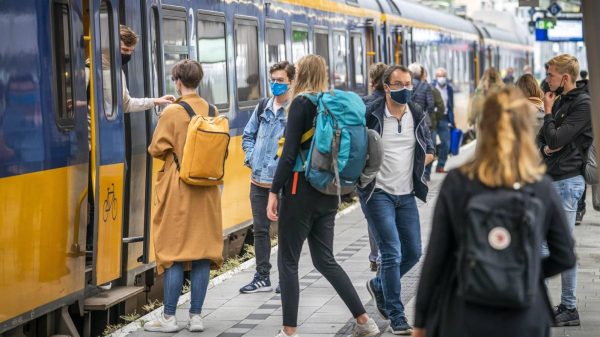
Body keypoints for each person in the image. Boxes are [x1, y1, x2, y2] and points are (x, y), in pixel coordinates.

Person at [413, 87, 576, 337]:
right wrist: (522, 270)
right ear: (525, 130)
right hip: (525, 317)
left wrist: (421, 321)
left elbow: (436, 258)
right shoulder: (541, 186)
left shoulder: (458, 183)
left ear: (483, 127)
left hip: (464, 313)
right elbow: (565, 255)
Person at [266, 54, 379, 337]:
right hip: (330, 190)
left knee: (288, 260)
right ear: (324, 74)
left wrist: (273, 191)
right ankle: (365, 320)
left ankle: (288, 331)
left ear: (299, 74)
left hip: (299, 188)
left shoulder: (301, 104)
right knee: (324, 259)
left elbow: (289, 153)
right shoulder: (332, 103)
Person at [144, 59, 224, 332]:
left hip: (179, 189)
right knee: (202, 252)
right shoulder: (213, 110)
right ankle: (196, 317)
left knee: (174, 253)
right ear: (198, 81)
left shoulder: (172, 112)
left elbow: (156, 149)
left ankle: (168, 318)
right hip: (208, 190)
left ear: (177, 81)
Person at [359, 65, 435, 335]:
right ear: (387, 86)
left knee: (413, 252)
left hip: (406, 194)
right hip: (377, 192)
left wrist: (417, 165)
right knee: (391, 252)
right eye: (398, 84)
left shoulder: (416, 112)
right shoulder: (371, 113)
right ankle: (396, 314)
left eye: (408, 83)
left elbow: (429, 149)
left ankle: (379, 285)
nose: (405, 88)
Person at [536, 54, 592, 326]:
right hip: (552, 180)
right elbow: (543, 140)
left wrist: (548, 115)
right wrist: (548, 145)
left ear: (565, 77)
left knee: (555, 245)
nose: (547, 80)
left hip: (568, 181)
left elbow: (556, 136)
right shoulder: (561, 101)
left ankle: (567, 308)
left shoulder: (582, 104)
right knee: (544, 244)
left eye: (550, 75)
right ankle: (552, 307)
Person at [240, 61, 295, 294]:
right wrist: (251, 158)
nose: (276, 84)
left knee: (286, 231)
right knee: (260, 230)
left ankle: (285, 279)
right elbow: (248, 134)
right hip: (258, 181)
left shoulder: (294, 110)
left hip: (282, 183)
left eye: (280, 80)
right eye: (273, 79)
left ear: (291, 82)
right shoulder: (263, 105)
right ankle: (262, 276)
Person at [362, 62, 388, 272]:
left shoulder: (364, 104)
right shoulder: (396, 105)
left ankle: (376, 256)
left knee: (374, 215)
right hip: (393, 170)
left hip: (369, 170)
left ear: (371, 80)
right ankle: (383, 257)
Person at [432, 68, 455, 173]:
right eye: (439, 75)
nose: (441, 78)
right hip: (433, 119)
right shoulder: (431, 87)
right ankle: (426, 171)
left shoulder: (449, 89)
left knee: (446, 143)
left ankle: (440, 166)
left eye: (443, 75)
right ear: (436, 77)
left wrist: (452, 120)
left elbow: (451, 105)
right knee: (431, 144)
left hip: (445, 118)